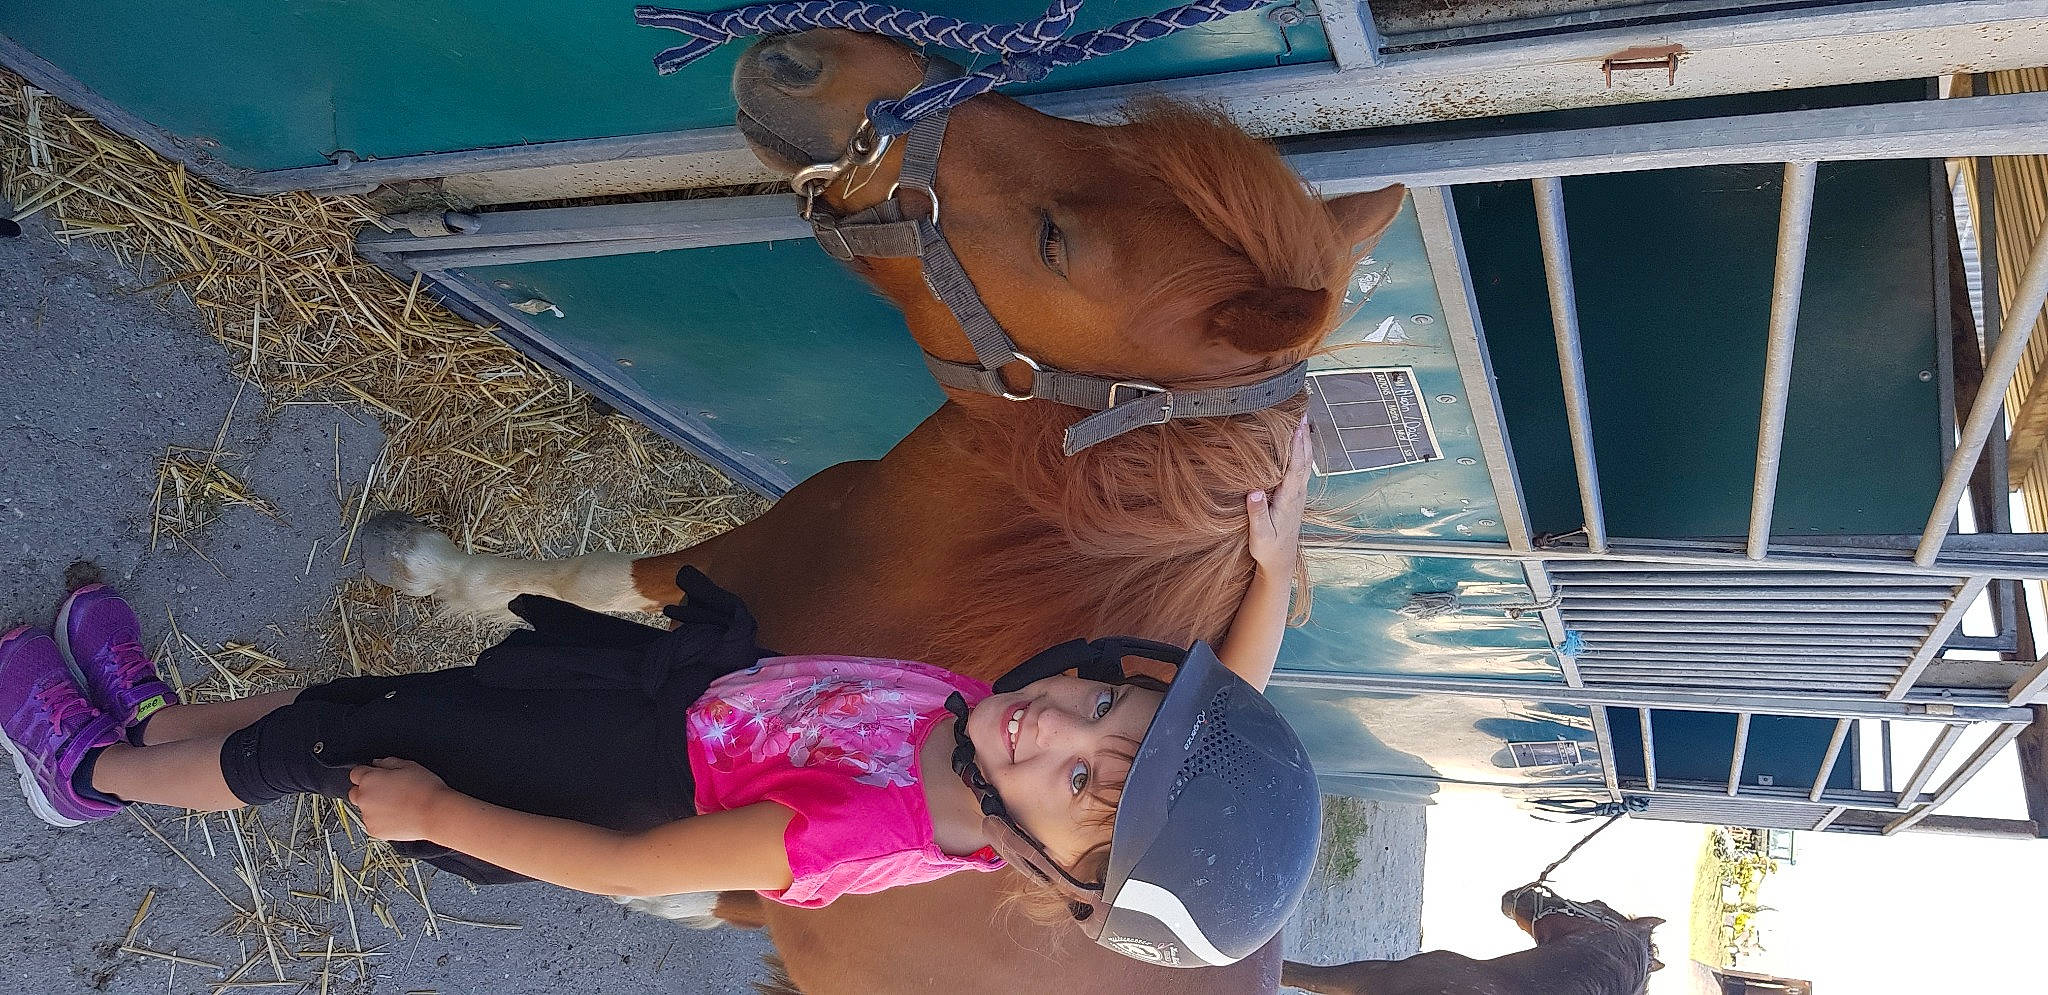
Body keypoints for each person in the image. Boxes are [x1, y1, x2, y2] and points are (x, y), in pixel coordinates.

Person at [1, 420, 1320, 967]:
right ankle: (153, 727)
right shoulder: (1007, 749)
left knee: (315, 754)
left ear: (1059, 867)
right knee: (346, 702)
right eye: (1104, 703)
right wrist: (1272, 566)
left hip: (581, 772)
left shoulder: (844, 833)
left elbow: (628, 867)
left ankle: (90, 776)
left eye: (1083, 775)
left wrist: (439, 815)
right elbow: (1206, 724)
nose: (1063, 724)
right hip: (642, 694)